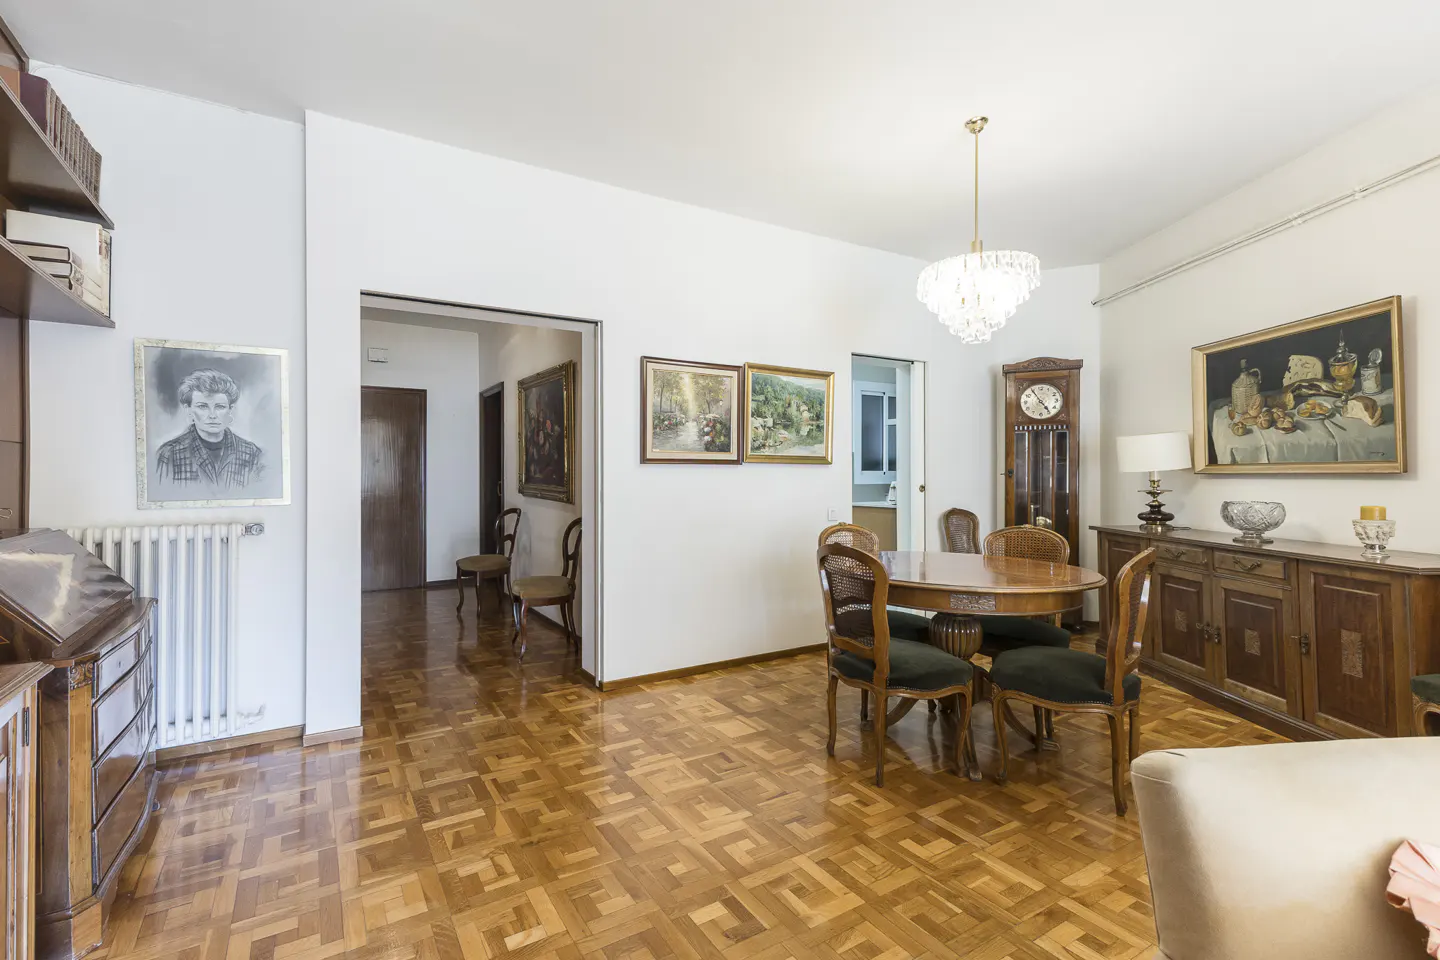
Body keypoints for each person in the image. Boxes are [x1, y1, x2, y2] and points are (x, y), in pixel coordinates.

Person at [155, 369, 264, 488]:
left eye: (220, 407)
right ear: (189, 410)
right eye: (202, 406)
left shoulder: (251, 453)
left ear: (230, 410)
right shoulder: (169, 454)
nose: (212, 415)